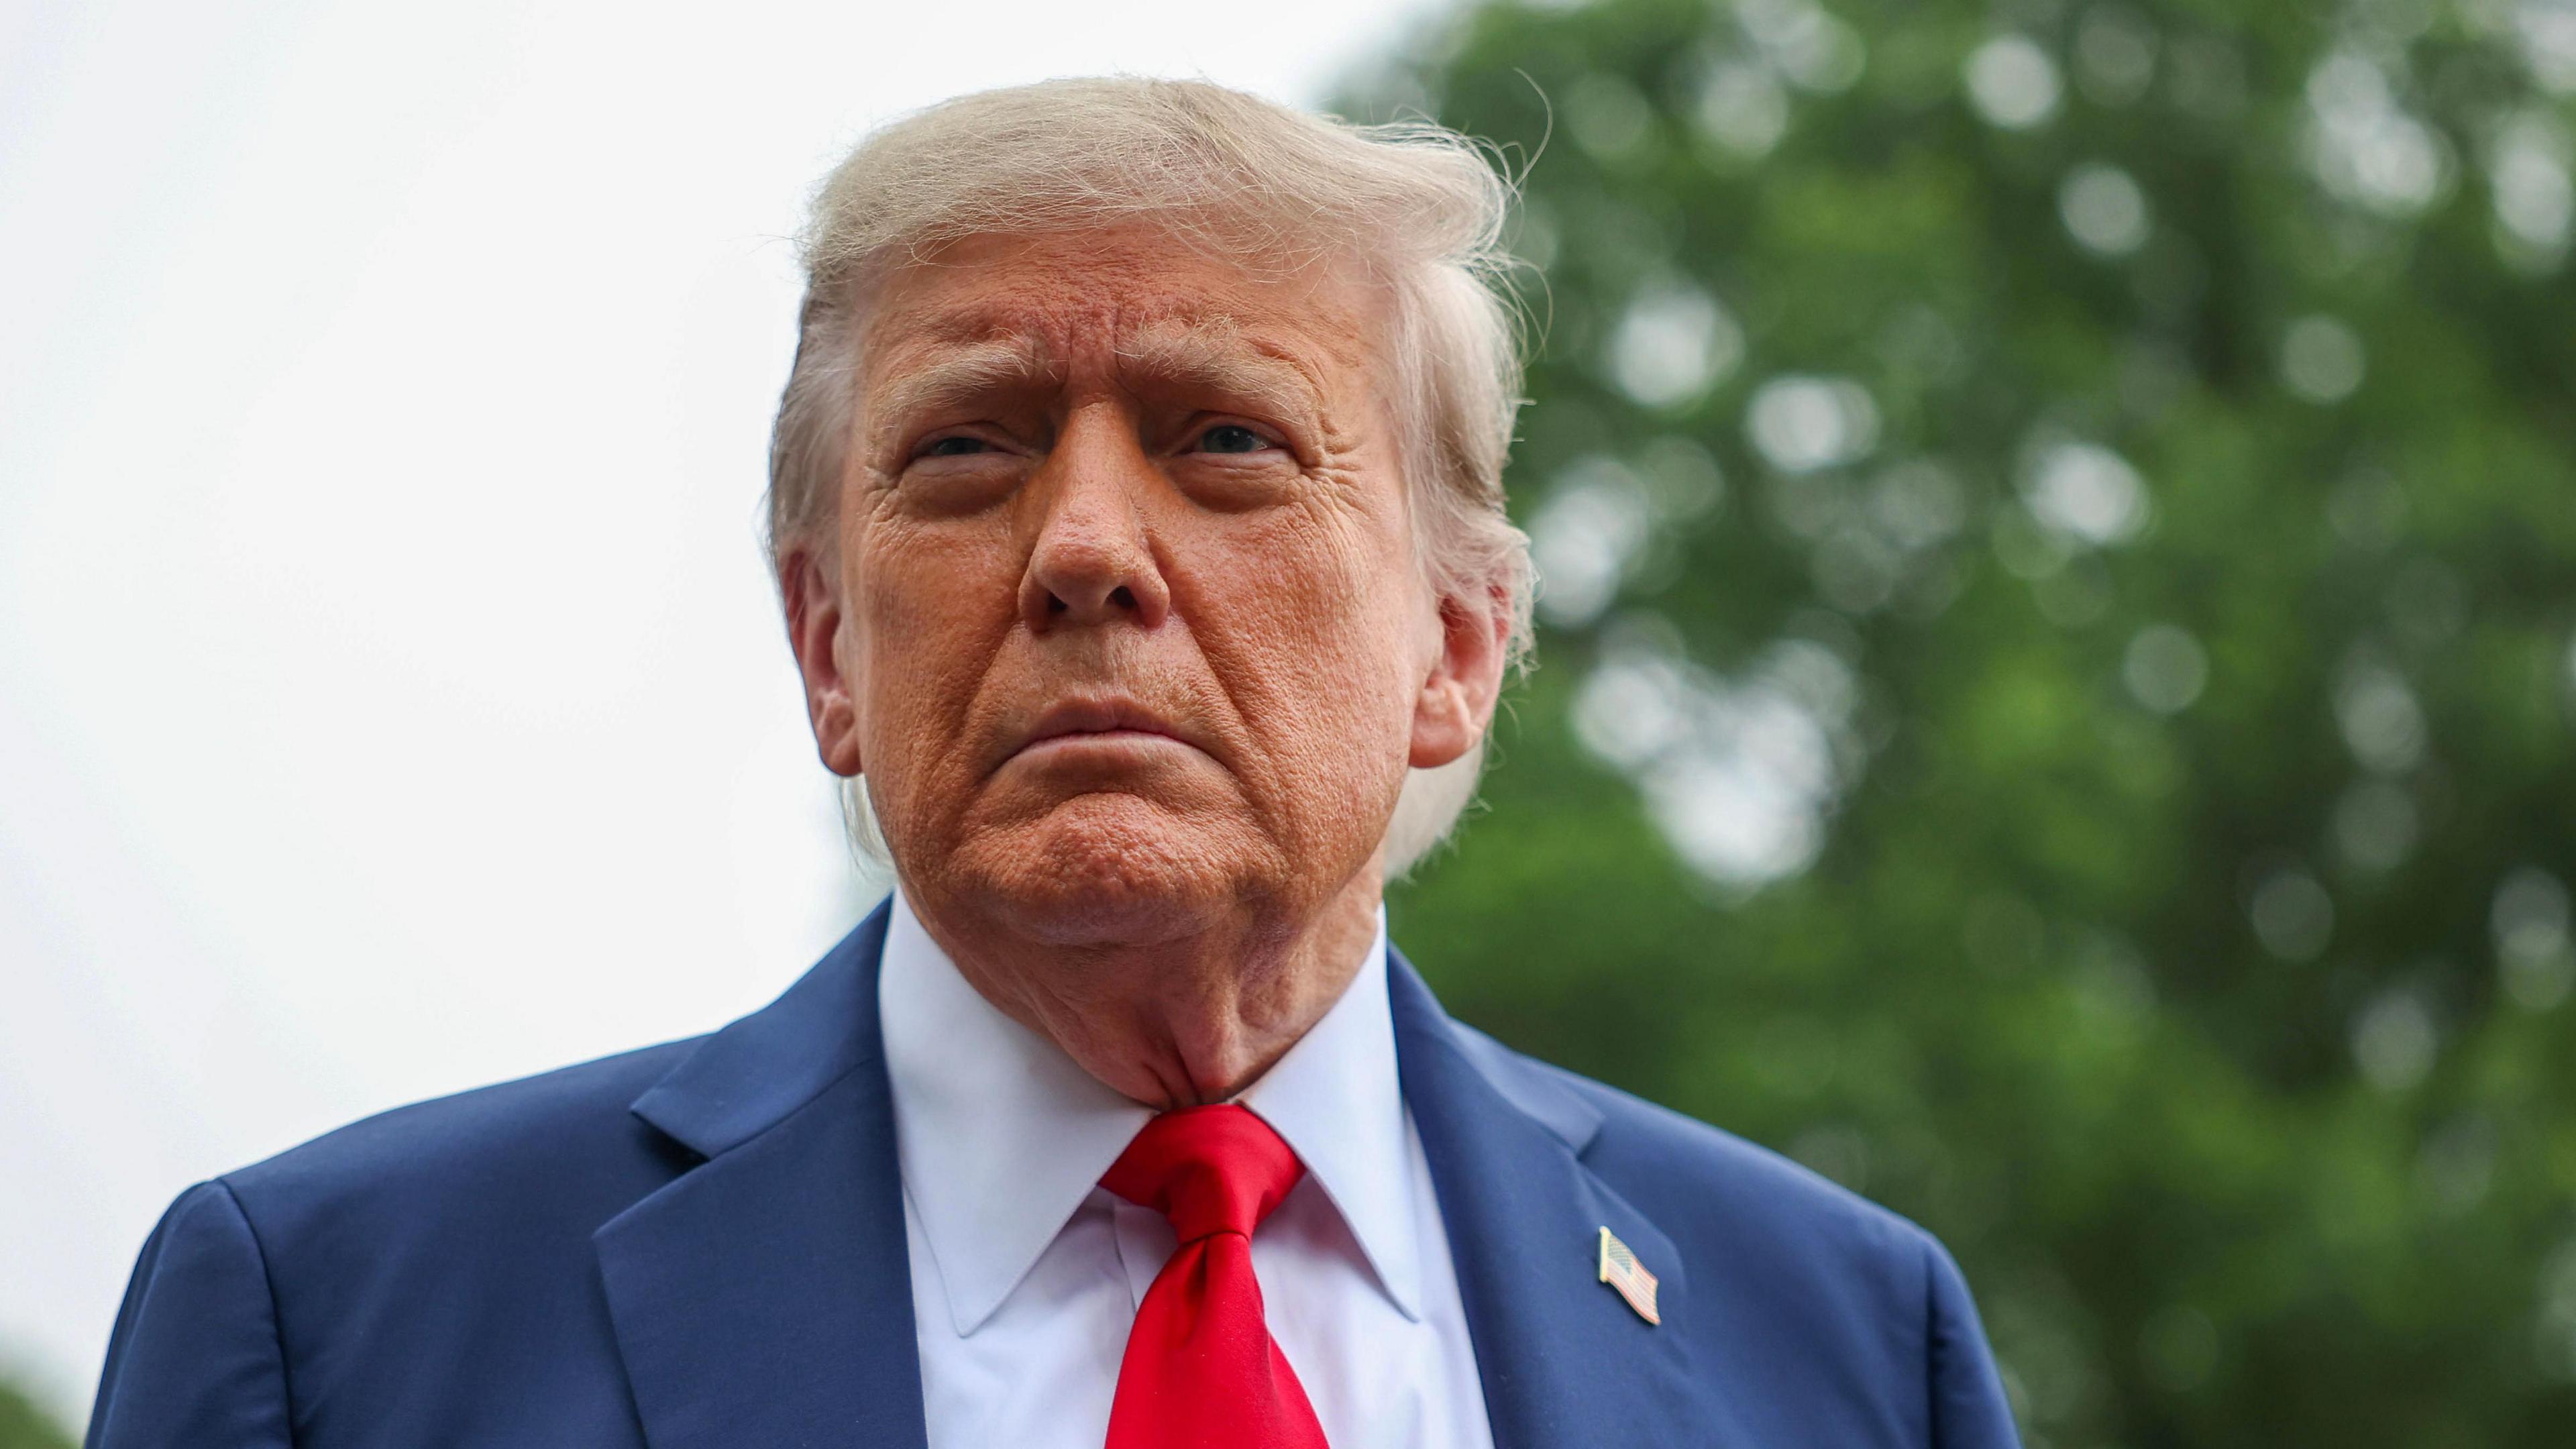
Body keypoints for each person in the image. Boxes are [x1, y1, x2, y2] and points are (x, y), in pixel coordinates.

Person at [85, 78, 2019, 1449]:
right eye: (968, 451)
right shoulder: (332, 1334)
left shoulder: (1845, 1345)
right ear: (831, 648)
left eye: (1227, 441)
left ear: (1453, 650)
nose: (1086, 548)